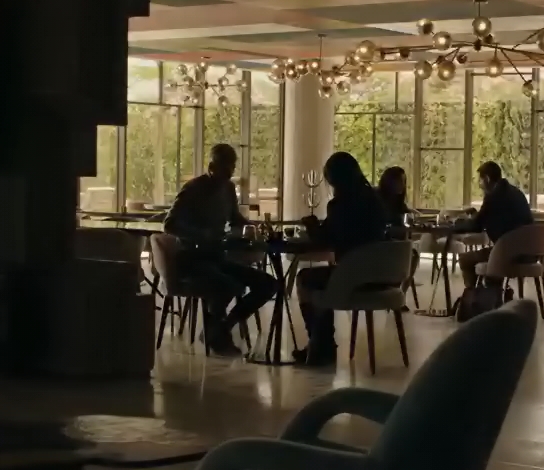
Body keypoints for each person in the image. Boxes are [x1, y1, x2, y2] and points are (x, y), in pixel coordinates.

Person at [163, 143, 277, 356]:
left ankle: (221, 328)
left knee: (268, 284)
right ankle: (218, 335)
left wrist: (253, 226)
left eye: (231, 168)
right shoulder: (193, 189)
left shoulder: (228, 189)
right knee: (226, 285)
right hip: (192, 259)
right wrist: (202, 235)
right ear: (211, 167)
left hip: (216, 256)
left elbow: (235, 218)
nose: (229, 173)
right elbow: (169, 224)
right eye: (225, 168)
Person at [294, 152, 390, 367]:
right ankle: (320, 344)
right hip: (381, 276)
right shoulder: (375, 201)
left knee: (306, 279)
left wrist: (312, 226)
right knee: (321, 281)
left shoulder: (340, 205)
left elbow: (326, 240)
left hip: (352, 276)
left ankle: (321, 344)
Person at [455, 161, 534, 290]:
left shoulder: (493, 196)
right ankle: (493, 291)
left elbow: (476, 226)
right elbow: (498, 217)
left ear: (486, 179)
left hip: (509, 253)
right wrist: (477, 215)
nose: (479, 185)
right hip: (531, 252)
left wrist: (455, 224)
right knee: (494, 252)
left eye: (480, 181)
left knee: (465, 259)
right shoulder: (516, 192)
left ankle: (476, 298)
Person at [377, 166, 423, 304]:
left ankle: (399, 294)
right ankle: (395, 294)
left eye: (404, 182)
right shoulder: (377, 201)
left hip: (397, 245)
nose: (402, 185)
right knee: (410, 255)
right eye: (399, 181)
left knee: (412, 255)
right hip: (381, 244)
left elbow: (406, 221)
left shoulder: (399, 204)